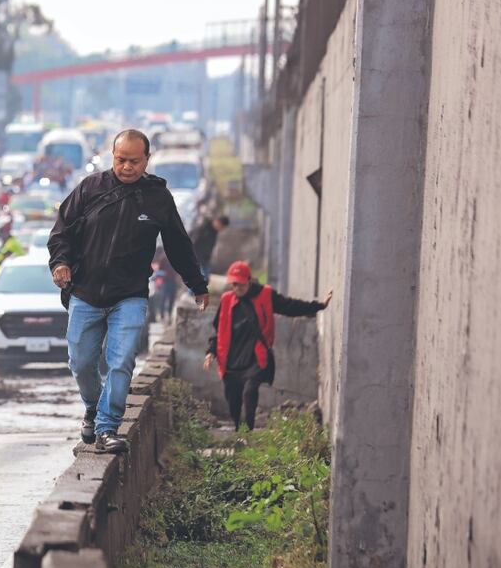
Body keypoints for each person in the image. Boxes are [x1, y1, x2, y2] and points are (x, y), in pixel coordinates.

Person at [49, 129, 209, 454]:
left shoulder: (158, 198)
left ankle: (108, 428)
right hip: (85, 292)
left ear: (147, 161)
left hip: (130, 295)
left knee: (121, 361)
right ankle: (94, 408)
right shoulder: (89, 189)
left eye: (134, 161)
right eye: (121, 160)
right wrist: (60, 263)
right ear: (112, 157)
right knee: (80, 363)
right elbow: (61, 232)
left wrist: (197, 284)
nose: (126, 167)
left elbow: (179, 245)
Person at [204, 261, 333, 431]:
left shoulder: (265, 295)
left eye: (241, 283)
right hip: (231, 360)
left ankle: (248, 431)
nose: (237, 288)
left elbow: (290, 306)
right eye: (234, 284)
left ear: (249, 281)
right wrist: (211, 352)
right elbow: (218, 330)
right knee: (233, 400)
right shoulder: (227, 300)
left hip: (255, 357)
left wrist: (319, 306)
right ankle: (238, 430)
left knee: (250, 391)